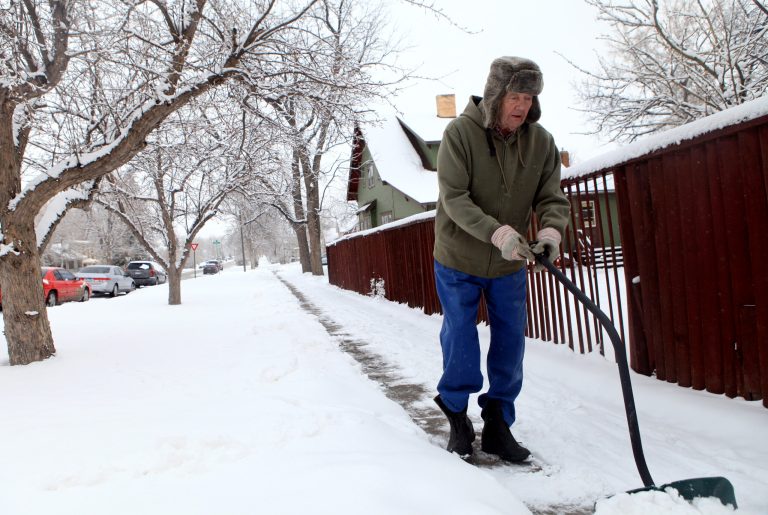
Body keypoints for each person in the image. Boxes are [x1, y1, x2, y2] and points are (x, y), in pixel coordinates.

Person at [432, 56, 570, 461]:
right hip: (459, 255)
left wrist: (548, 233)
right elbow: (454, 198)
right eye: (514, 96)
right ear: (496, 96)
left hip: (510, 260)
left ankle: (498, 423)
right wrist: (497, 232)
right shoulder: (459, 134)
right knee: (461, 335)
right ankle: (457, 414)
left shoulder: (541, 142)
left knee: (510, 340)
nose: (522, 105)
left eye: (528, 97)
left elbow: (551, 198)